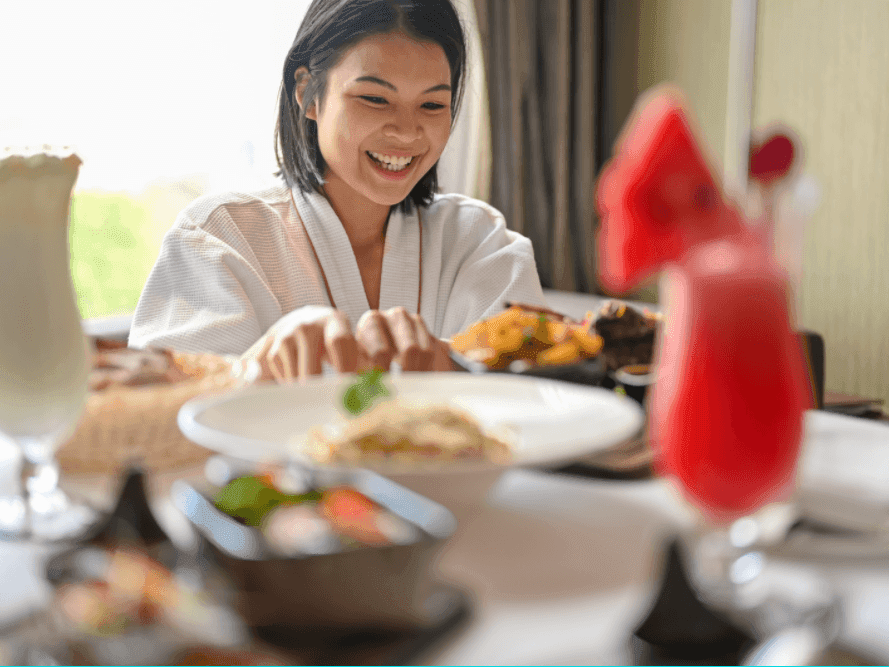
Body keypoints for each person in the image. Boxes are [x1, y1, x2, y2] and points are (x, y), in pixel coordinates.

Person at [129, 0, 545, 381]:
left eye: (432, 105)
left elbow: (541, 397)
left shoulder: (479, 242)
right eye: (374, 99)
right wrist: (259, 365)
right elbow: (152, 413)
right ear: (307, 93)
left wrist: (449, 362)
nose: (406, 131)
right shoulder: (219, 239)